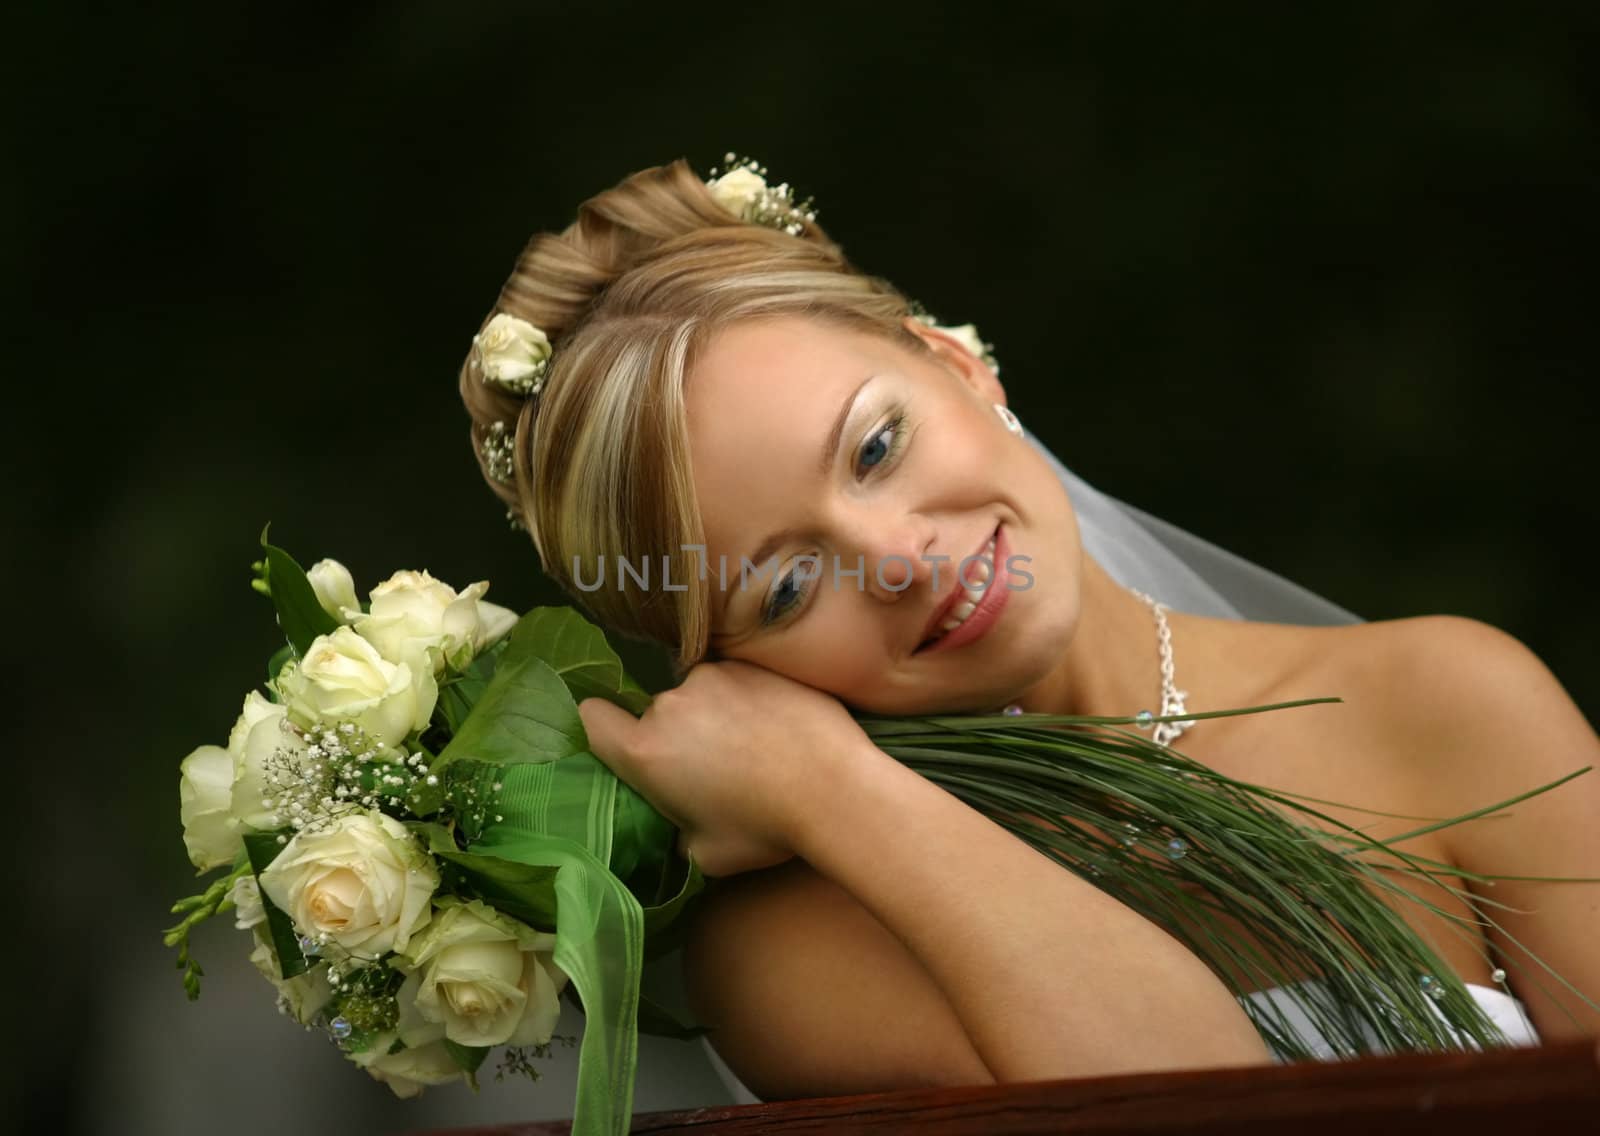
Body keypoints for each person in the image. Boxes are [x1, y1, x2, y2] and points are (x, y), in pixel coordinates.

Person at [456, 156, 1600, 1104]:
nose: (900, 559)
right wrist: (836, 791)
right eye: (787, 588)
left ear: (955, 364)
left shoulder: (1441, 701)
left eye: (874, 448)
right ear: (730, 671)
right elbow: (1202, 1113)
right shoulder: (795, 947)